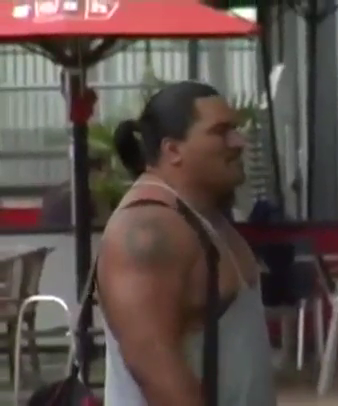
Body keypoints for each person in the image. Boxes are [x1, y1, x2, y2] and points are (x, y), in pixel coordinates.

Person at [97, 81, 276, 406]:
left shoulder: (202, 216)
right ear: (173, 150)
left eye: (235, 129)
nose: (238, 142)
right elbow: (156, 371)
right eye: (220, 132)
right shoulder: (147, 228)